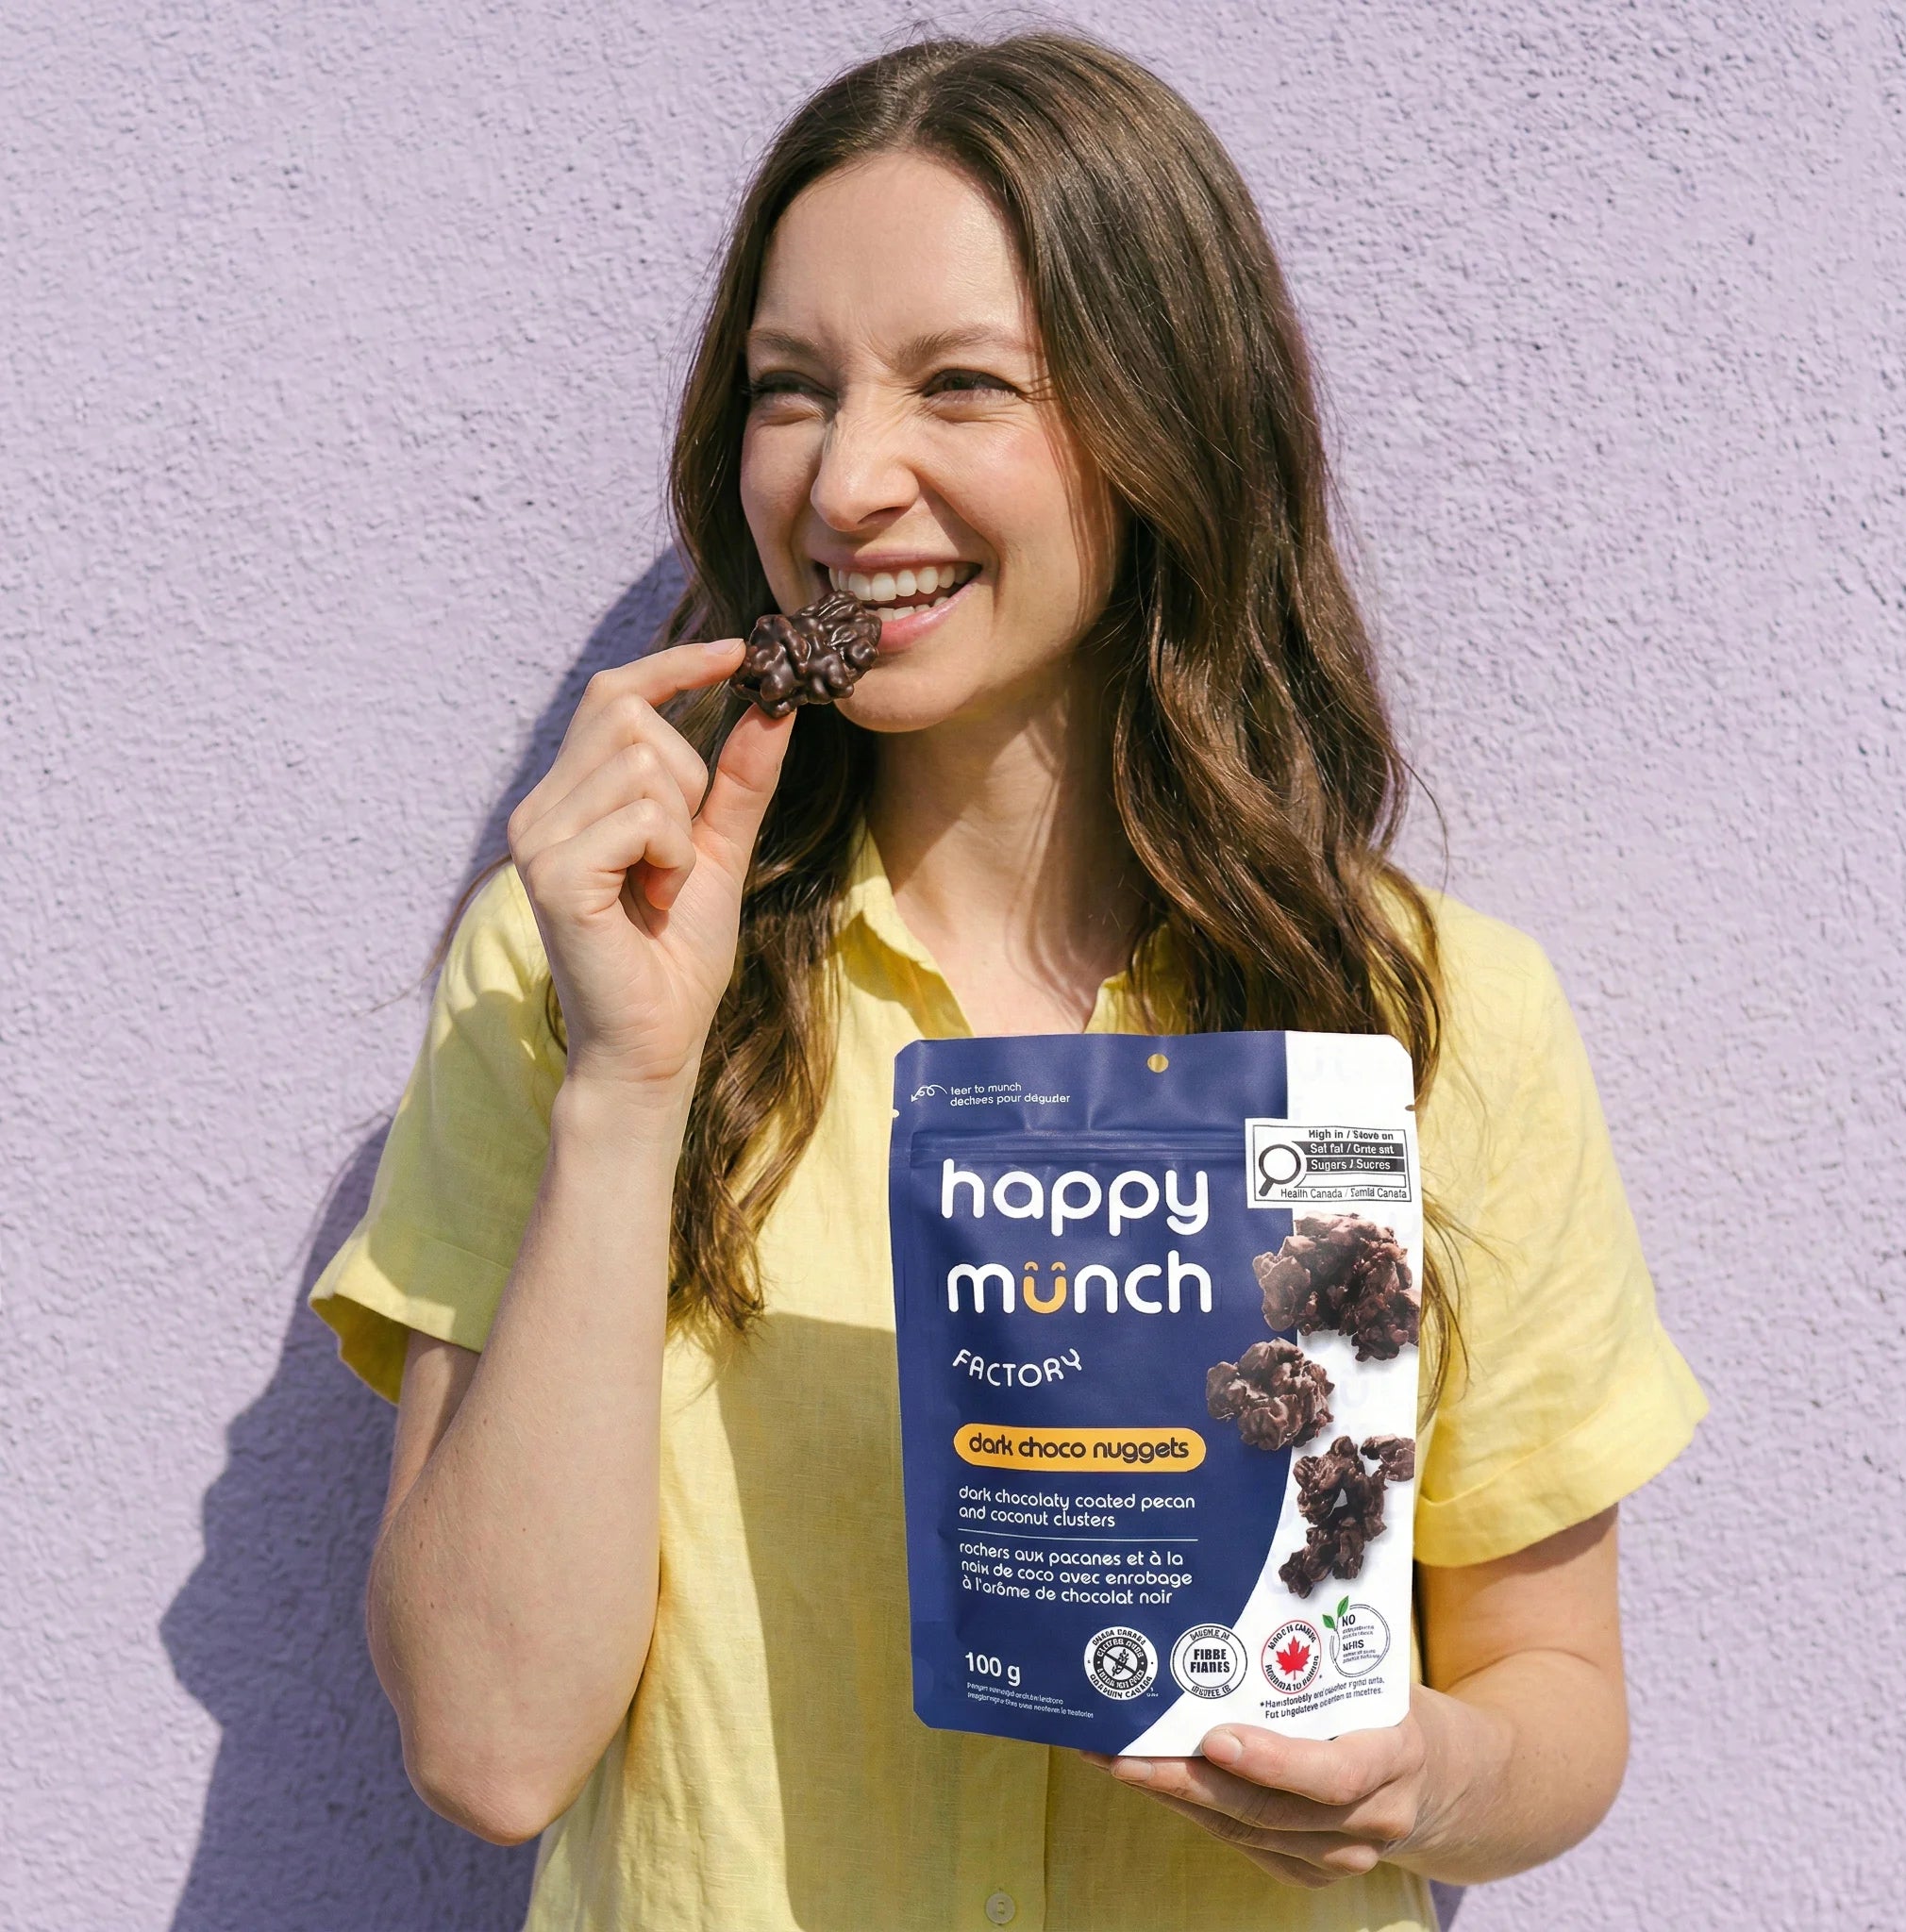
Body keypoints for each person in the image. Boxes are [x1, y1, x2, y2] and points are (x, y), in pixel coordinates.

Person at [312, 33, 1706, 1932]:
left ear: (1163, 431)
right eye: (788, 392)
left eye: (961, 386)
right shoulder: (570, 976)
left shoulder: (1425, 1017)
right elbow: (487, 1746)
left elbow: (1555, 1695)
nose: (847, 477)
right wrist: (630, 1088)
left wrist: (1424, 1775)